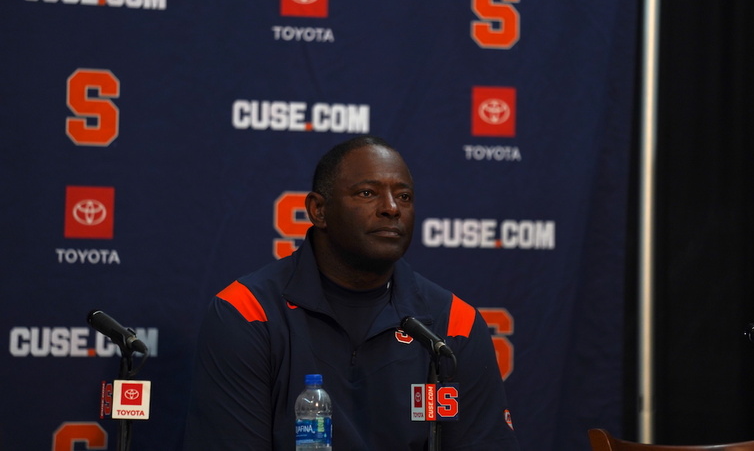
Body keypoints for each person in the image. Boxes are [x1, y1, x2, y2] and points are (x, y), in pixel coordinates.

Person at [182, 135, 519, 450]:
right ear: (318, 210)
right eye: (367, 193)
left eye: (404, 196)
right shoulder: (247, 312)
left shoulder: (453, 322)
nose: (392, 208)